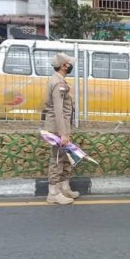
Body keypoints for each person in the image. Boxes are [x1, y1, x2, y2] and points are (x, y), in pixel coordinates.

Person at [43, 53, 77, 205]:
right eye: (69, 63)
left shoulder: (59, 80)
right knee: (57, 159)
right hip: (58, 128)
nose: (71, 66)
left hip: (61, 126)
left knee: (64, 157)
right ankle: (53, 193)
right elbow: (58, 110)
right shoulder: (58, 83)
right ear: (64, 66)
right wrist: (63, 134)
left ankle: (64, 188)